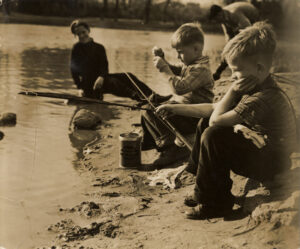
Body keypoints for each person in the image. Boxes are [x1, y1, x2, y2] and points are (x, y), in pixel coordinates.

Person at [156, 22, 298, 219]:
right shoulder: (254, 84)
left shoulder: (263, 97)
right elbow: (213, 109)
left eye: (236, 71)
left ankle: (216, 204)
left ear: (258, 68)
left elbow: (216, 120)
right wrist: (174, 108)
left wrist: (232, 91)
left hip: (273, 163)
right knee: (204, 124)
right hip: (264, 149)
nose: (232, 77)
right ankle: (201, 184)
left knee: (213, 134)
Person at [141, 22, 214, 167]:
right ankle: (160, 143)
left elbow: (179, 88)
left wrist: (163, 69)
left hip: (195, 116)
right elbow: (177, 70)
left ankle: (171, 150)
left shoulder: (201, 69)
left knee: (152, 113)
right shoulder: (191, 64)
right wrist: (164, 60)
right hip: (184, 109)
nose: (178, 57)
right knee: (148, 106)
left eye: (180, 52)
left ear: (196, 49)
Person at [70, 20, 171, 103]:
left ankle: (153, 96)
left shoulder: (99, 47)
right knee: (114, 82)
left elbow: (104, 66)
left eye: (83, 32)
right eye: (78, 34)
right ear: (75, 35)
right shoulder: (76, 49)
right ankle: (139, 98)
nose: (82, 35)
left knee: (128, 76)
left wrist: (101, 77)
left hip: (101, 79)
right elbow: (73, 71)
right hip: (88, 84)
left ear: (88, 30)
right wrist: (80, 88)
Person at [209, 2, 259, 80]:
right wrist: (228, 49)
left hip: (254, 15)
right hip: (243, 21)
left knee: (245, 45)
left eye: (216, 19)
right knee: (230, 47)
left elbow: (248, 28)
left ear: (220, 14)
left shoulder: (234, 13)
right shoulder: (223, 19)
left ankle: (252, 71)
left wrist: (236, 31)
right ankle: (218, 72)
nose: (217, 22)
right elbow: (228, 37)